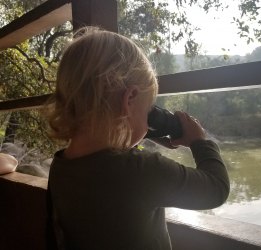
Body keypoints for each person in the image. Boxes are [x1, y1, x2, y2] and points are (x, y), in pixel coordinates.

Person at [46, 26, 230, 250]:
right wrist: (200, 142)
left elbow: (107, 158)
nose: (148, 119)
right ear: (130, 98)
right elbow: (216, 189)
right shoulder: (143, 169)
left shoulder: (60, 167)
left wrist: (142, 130)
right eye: (148, 111)